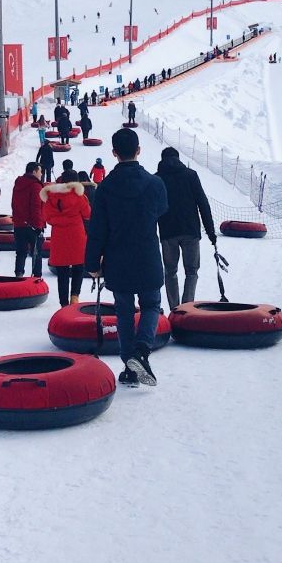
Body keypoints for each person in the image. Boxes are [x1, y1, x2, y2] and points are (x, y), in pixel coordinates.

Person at [84, 128, 170, 387]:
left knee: (123, 311)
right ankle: (142, 350)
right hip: (147, 255)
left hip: (117, 258)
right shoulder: (155, 184)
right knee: (151, 304)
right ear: (139, 150)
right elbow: (162, 210)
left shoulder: (106, 187)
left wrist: (92, 263)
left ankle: (129, 366)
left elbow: (97, 229)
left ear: (113, 153)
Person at [156, 147, 217, 310]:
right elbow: (203, 203)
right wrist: (211, 232)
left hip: (167, 233)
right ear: (178, 158)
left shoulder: (157, 179)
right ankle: (186, 309)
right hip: (191, 231)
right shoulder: (191, 175)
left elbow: (151, 209)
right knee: (191, 272)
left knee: (170, 272)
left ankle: (175, 309)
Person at [42, 172, 92, 307]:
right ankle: (75, 296)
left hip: (59, 236)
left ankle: (63, 304)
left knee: (62, 272)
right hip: (77, 235)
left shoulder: (51, 197)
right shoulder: (79, 196)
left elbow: (46, 216)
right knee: (78, 267)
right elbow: (87, 214)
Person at [11, 162, 47, 278]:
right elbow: (36, 207)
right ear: (34, 171)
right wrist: (38, 226)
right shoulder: (36, 186)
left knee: (21, 252)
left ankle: (19, 275)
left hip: (19, 224)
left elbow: (14, 204)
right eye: (40, 171)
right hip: (32, 226)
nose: (41, 174)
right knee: (36, 253)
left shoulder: (18, 183)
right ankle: (37, 278)